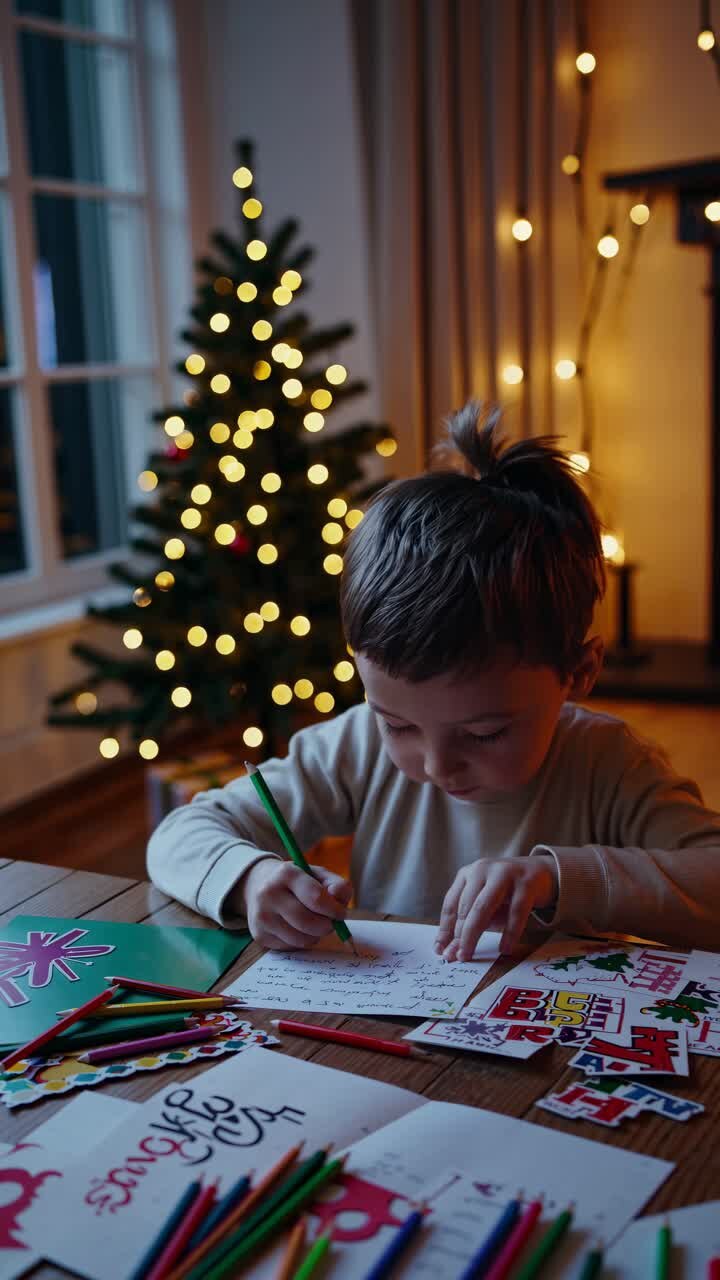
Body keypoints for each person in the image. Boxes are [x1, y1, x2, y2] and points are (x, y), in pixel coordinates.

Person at [147, 401, 720, 956]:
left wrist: (558, 878)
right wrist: (249, 878)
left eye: (485, 733)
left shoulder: (609, 765)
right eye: (397, 724)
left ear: (578, 673)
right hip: (383, 1042)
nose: (437, 765)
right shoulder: (356, 746)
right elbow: (181, 834)